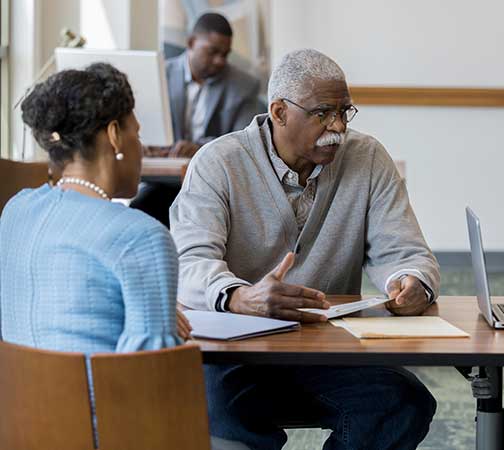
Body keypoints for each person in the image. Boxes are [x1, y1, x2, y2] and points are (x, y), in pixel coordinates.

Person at [170, 49, 439, 450]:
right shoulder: (218, 163)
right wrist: (240, 297)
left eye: (344, 112)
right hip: (234, 353)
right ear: (279, 112)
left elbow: (407, 252)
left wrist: (412, 280)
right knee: (213, 412)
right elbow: (189, 263)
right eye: (323, 113)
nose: (338, 127)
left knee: (403, 403)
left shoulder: (368, 158)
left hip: (325, 349)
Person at [1, 63, 190, 353]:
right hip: (101, 385)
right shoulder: (142, 236)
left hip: (18, 384)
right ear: (114, 135)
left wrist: (154, 311)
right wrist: (161, 324)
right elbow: (153, 373)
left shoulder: (15, 211)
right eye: (137, 134)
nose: (141, 148)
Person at [131, 12, 262, 226]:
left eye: (225, 54)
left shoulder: (243, 86)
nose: (220, 61)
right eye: (213, 52)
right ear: (191, 42)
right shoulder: (160, 75)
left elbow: (245, 142)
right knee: (138, 214)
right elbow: (142, 129)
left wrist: (199, 148)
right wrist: (149, 145)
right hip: (161, 183)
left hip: (212, 184)